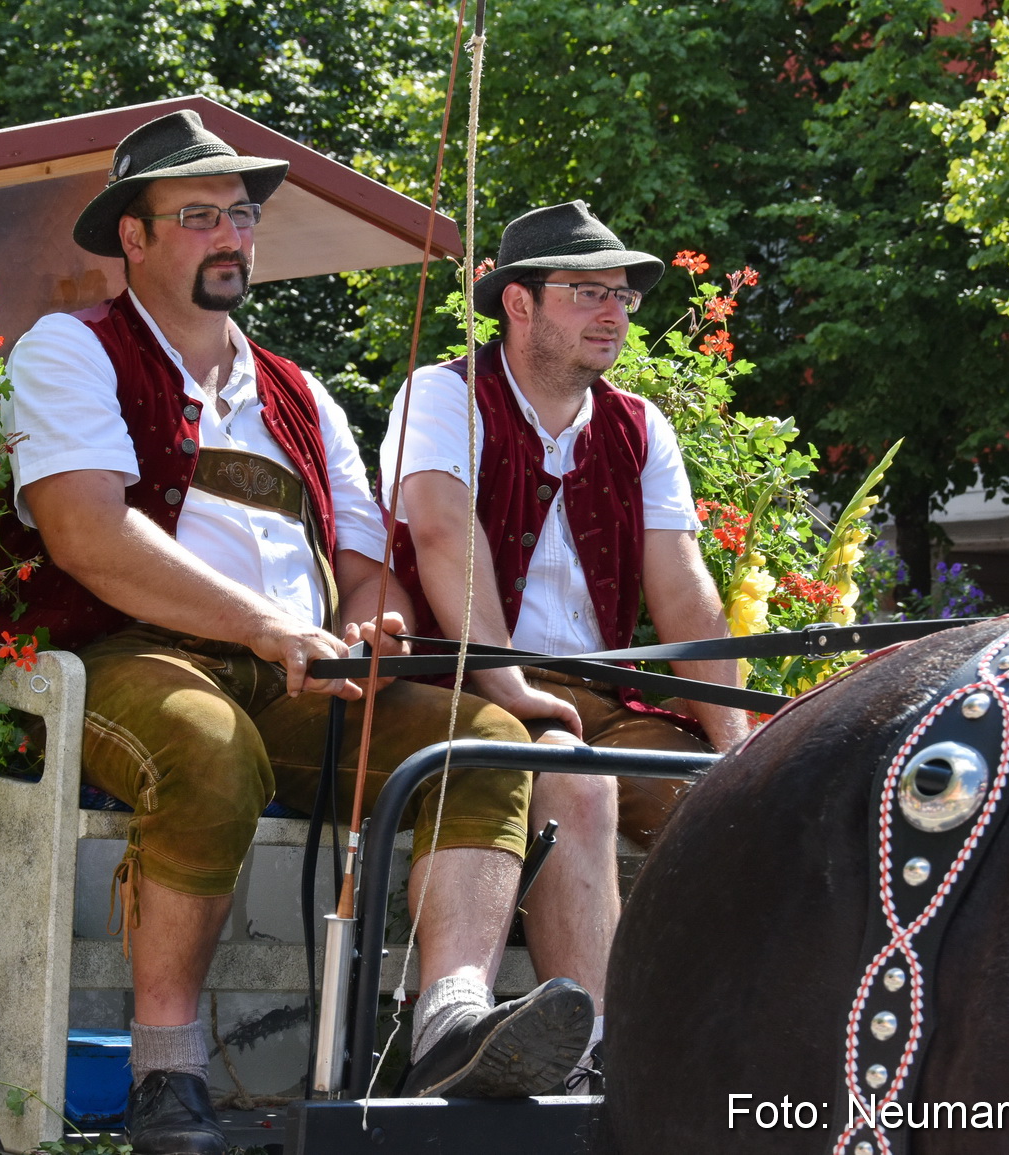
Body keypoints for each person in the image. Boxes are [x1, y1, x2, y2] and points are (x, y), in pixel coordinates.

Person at [0, 112, 592, 1155]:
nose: (230, 236)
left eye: (241, 215)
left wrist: (364, 630)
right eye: (199, 217)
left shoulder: (303, 394)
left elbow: (364, 567)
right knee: (211, 753)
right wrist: (274, 627)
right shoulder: (69, 349)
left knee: (478, 746)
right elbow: (86, 533)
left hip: (295, 672)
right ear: (131, 238)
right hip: (125, 657)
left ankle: (448, 1023)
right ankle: (165, 1078)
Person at [379, 199, 750, 1076]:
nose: (615, 313)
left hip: (604, 691)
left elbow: (685, 594)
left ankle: (735, 1055)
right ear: (518, 303)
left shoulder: (639, 425)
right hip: (467, 677)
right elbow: (440, 532)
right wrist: (506, 680)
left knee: (732, 803)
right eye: (589, 292)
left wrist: (737, 745)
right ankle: (595, 1062)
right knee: (576, 783)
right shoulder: (444, 393)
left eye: (623, 295)